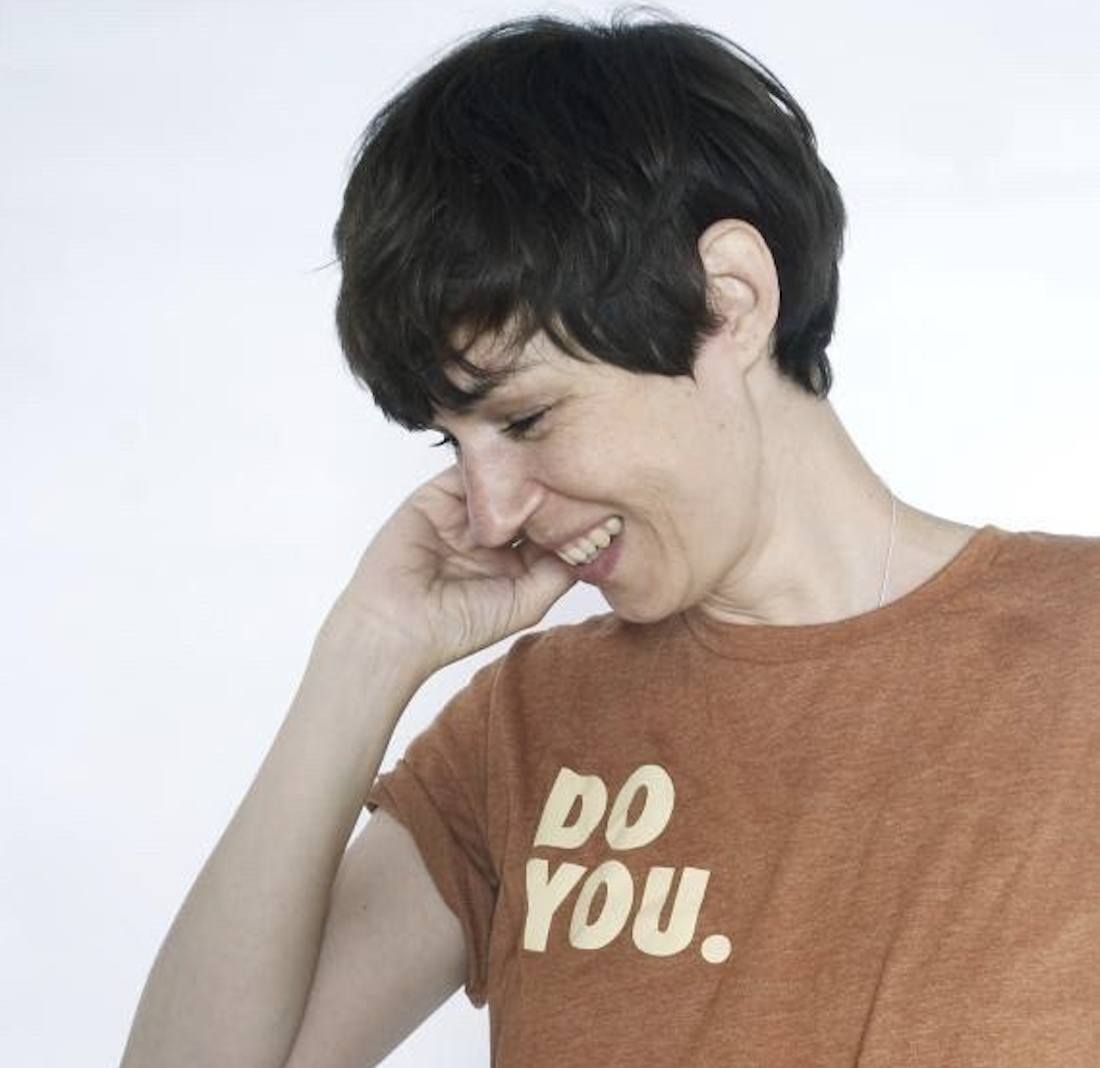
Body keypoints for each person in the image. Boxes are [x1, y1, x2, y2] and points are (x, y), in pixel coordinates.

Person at [120, 10, 1100, 1068]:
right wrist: (365, 653)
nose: (490, 513)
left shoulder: (1076, 652)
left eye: (525, 418)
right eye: (452, 443)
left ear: (726, 303)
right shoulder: (526, 728)